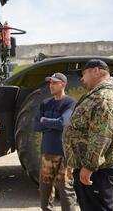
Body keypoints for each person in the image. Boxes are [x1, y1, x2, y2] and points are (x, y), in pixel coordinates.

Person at [63, 59, 113, 211]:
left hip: (97, 169)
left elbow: (101, 135)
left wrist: (89, 167)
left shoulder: (105, 96)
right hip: (91, 166)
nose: (82, 79)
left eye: (84, 74)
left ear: (96, 70)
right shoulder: (99, 93)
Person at [34, 73, 77, 211]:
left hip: (64, 153)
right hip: (47, 152)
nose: (51, 85)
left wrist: (45, 121)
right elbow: (36, 126)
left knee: (65, 189)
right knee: (45, 189)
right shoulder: (45, 103)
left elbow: (63, 123)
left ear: (63, 84)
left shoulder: (70, 103)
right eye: (50, 82)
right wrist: (52, 124)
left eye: (54, 83)